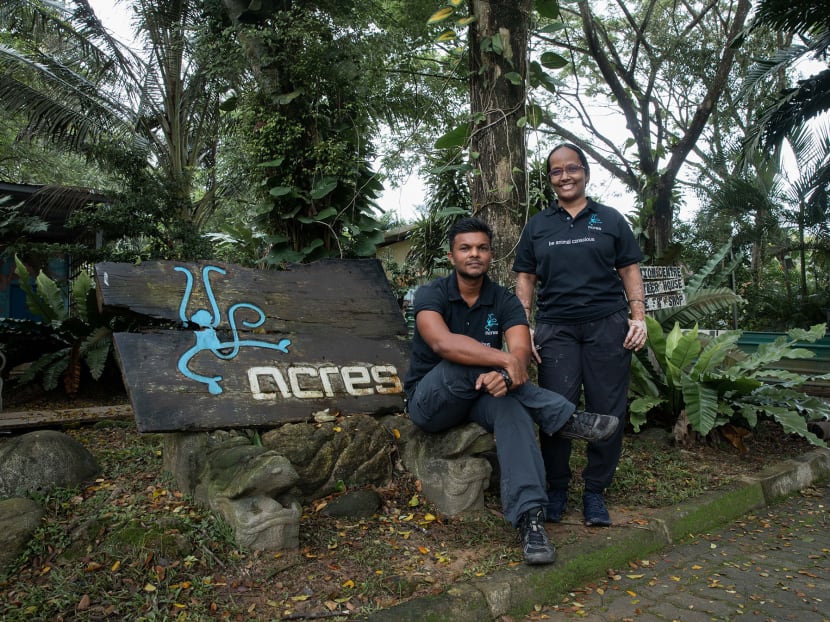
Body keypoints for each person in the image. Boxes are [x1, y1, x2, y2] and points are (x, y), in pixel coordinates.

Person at [404, 216, 619, 565]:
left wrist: (506, 373)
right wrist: (502, 362)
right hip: (432, 401)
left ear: (491, 254)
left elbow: (520, 352)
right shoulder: (432, 293)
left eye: (482, 248)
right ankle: (564, 417)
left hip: (480, 399)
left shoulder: (503, 299)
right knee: (460, 360)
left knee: (512, 410)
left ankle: (530, 518)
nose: (474, 254)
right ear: (451, 255)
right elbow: (443, 344)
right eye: (465, 248)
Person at [512, 143, 646, 528]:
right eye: (556, 171)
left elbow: (629, 269)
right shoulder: (538, 225)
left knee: (608, 408)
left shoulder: (610, 219)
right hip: (557, 329)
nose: (565, 176)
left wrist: (638, 317)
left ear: (585, 172)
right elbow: (526, 278)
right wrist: (525, 327)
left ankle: (595, 492)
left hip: (608, 325)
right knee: (557, 408)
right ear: (550, 178)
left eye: (572, 168)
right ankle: (556, 489)